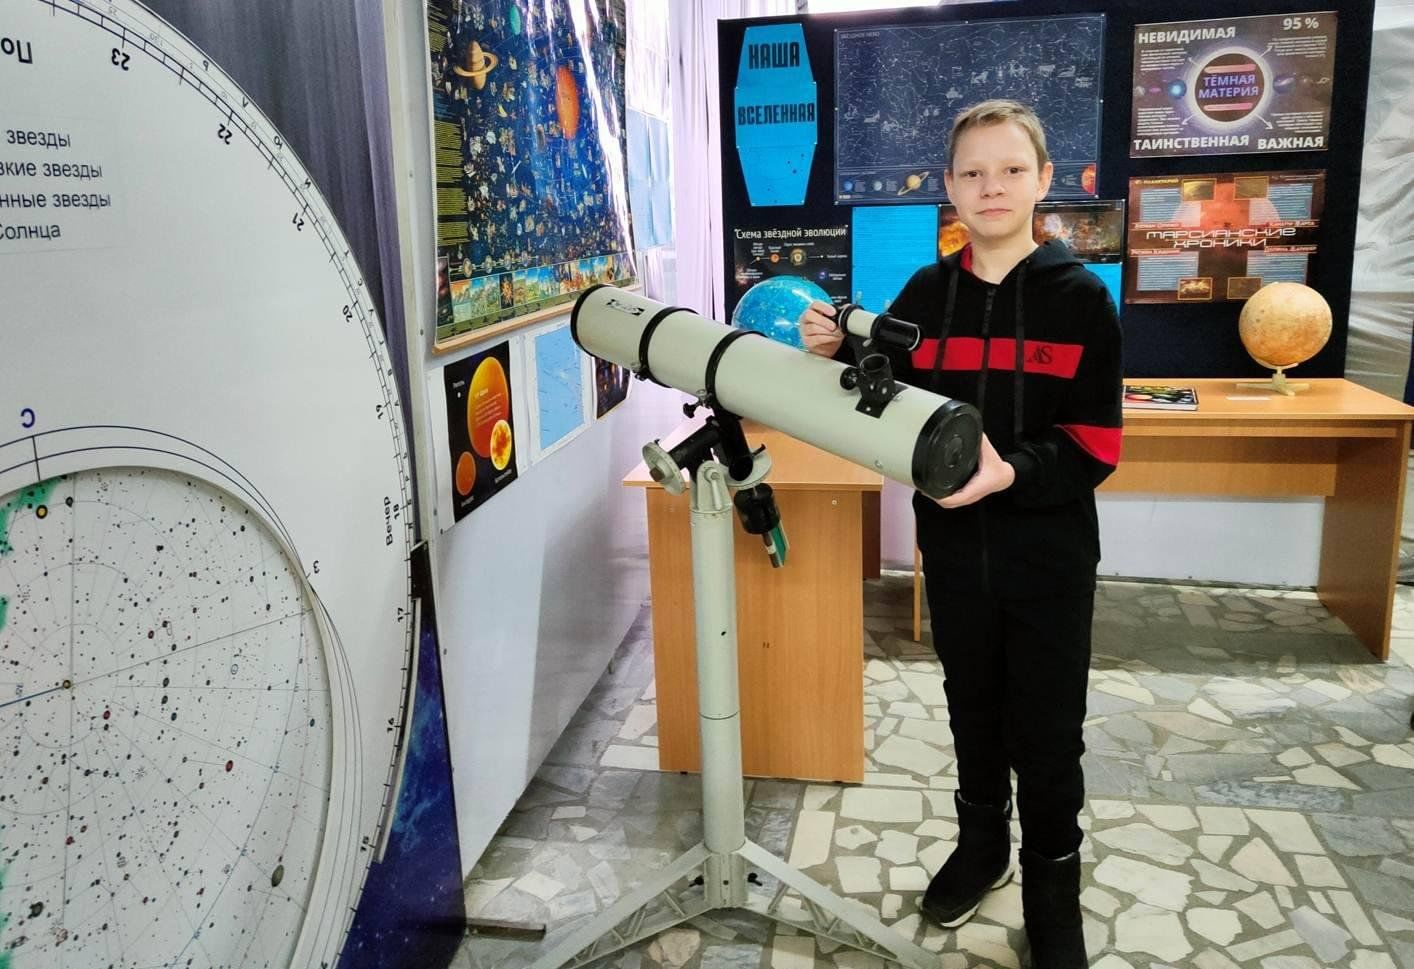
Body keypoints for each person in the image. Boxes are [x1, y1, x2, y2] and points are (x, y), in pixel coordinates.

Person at [800, 100, 1121, 969]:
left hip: (1050, 557)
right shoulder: (923, 296)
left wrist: (1011, 471)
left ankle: (1052, 892)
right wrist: (832, 352)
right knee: (972, 710)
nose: (992, 187)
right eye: (973, 172)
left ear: (1044, 180)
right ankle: (982, 849)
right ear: (948, 185)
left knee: (1047, 732)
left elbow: (1098, 443)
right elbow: (878, 389)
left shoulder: (1082, 299)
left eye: (1011, 170)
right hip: (952, 553)